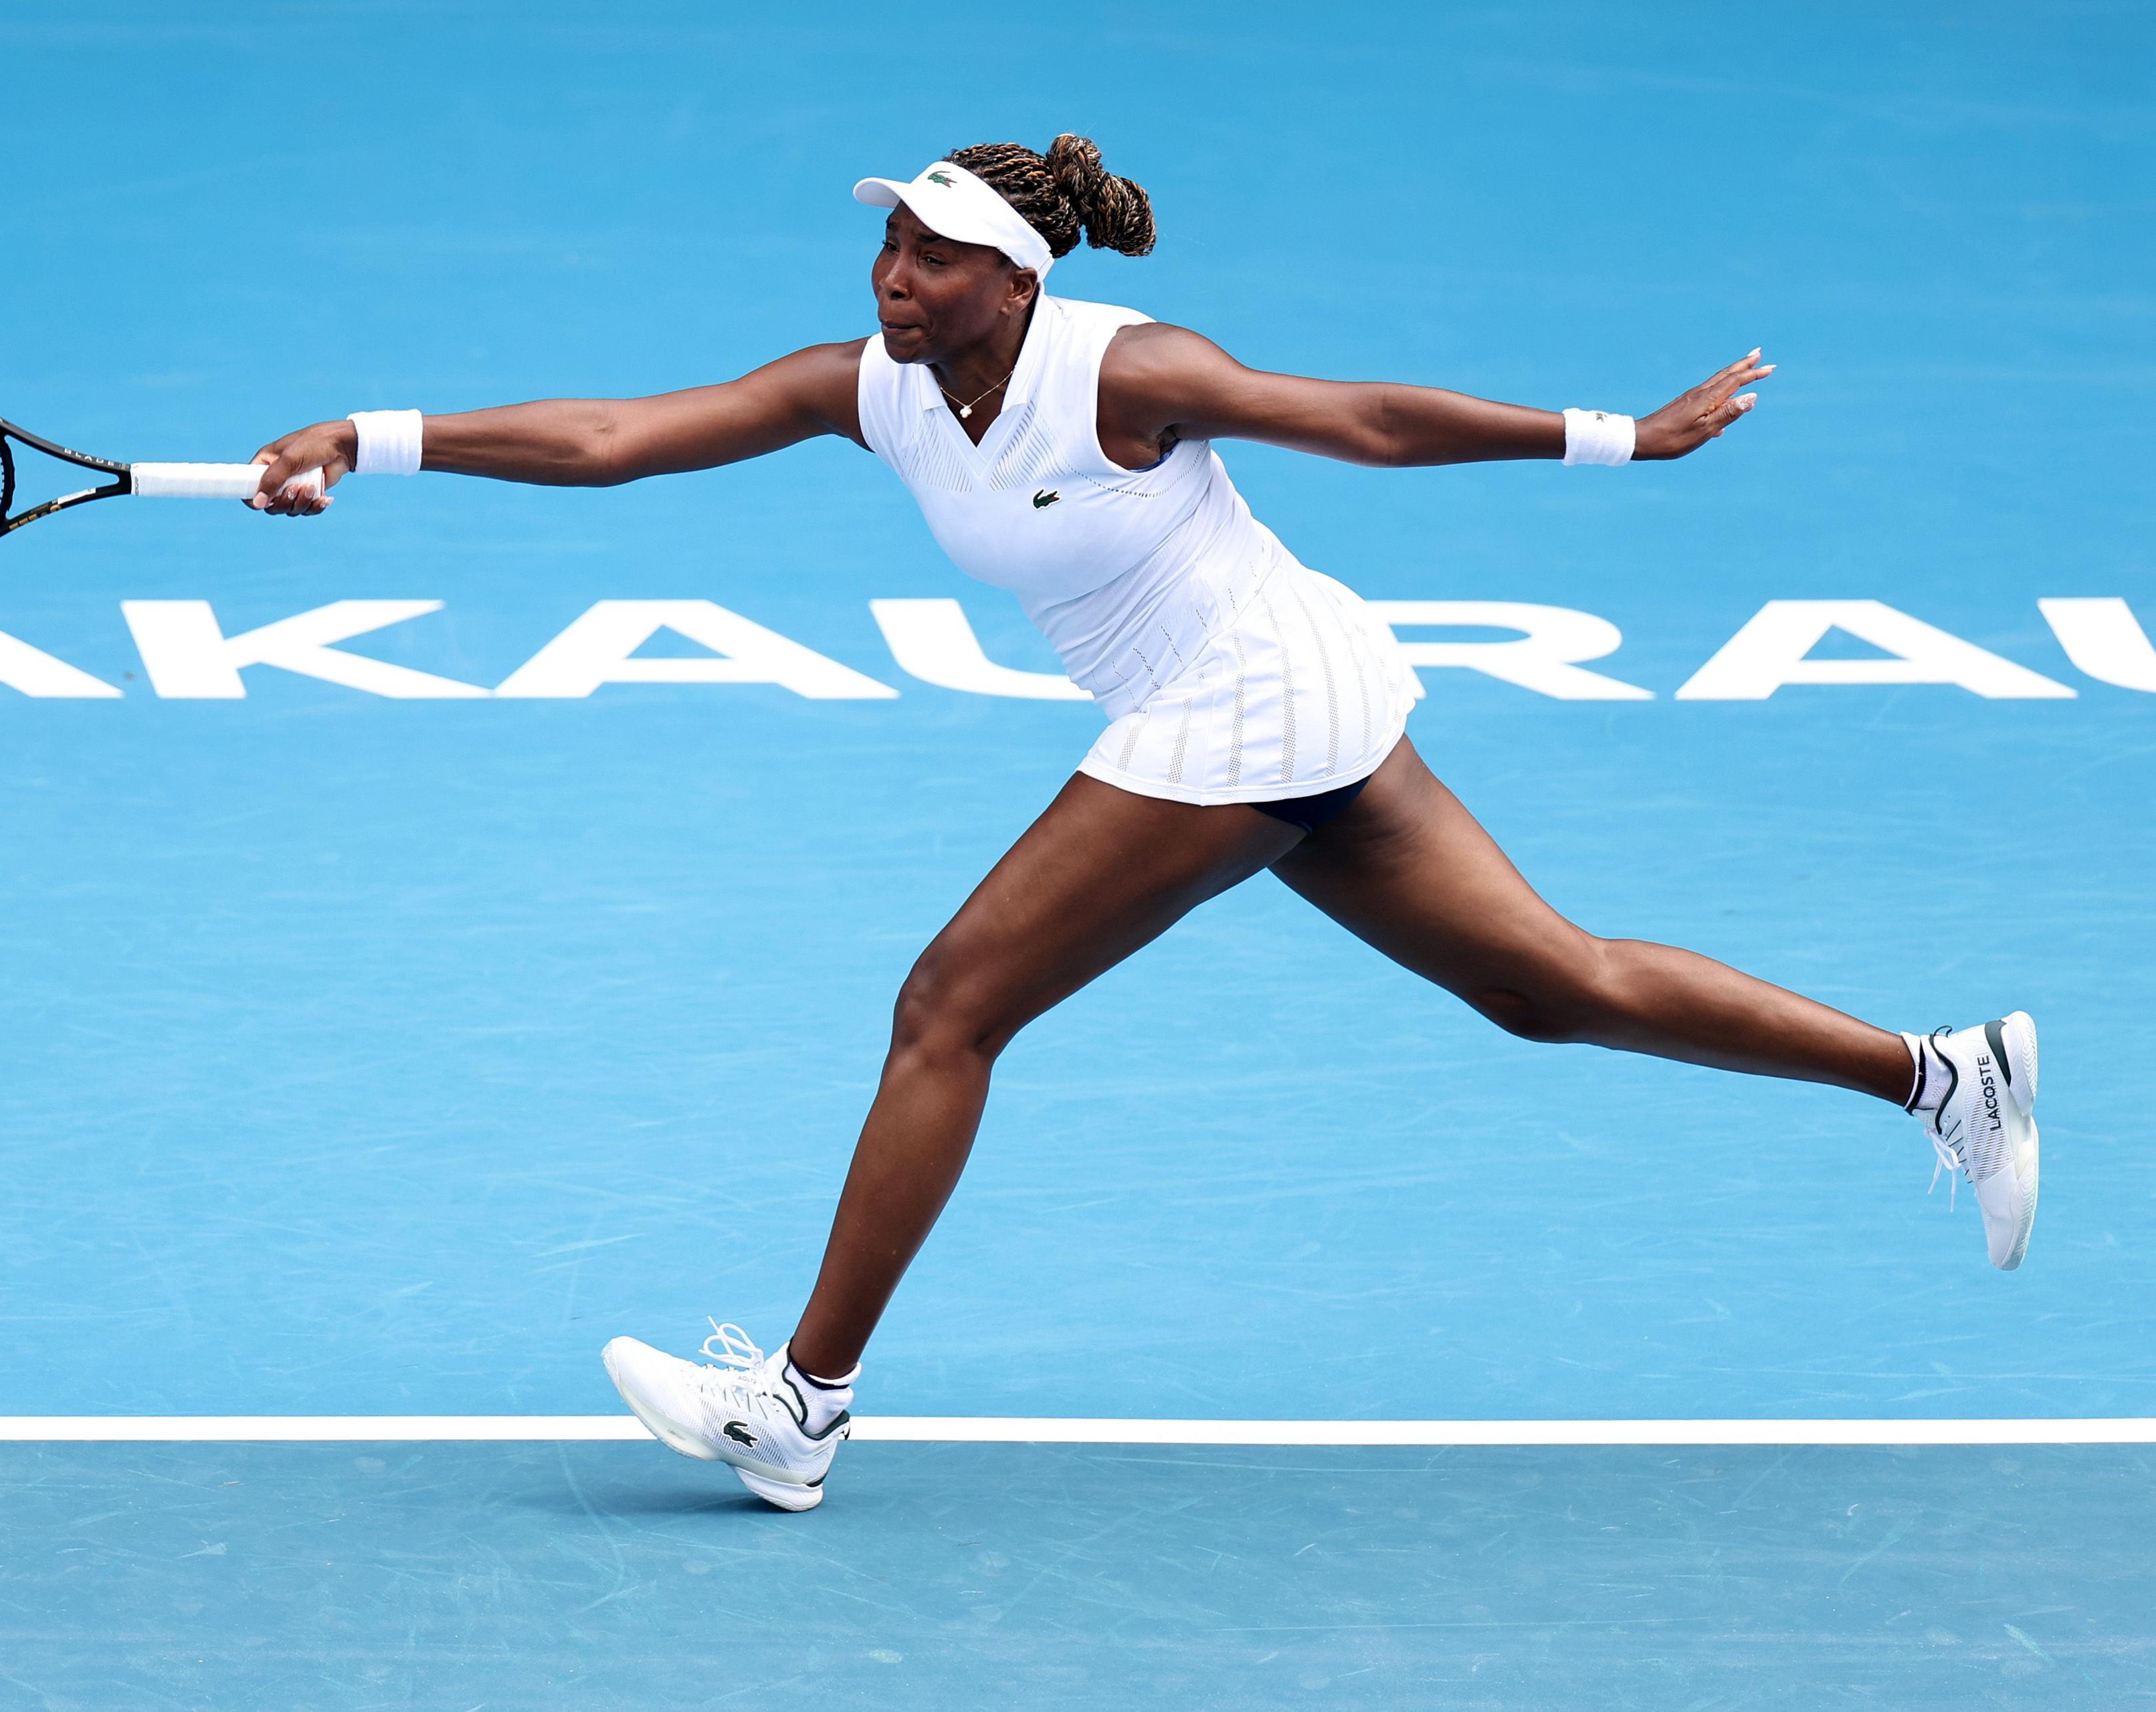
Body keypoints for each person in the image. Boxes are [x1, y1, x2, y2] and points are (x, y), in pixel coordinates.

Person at [248, 135, 2041, 1512]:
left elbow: (1354, 419)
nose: (896, 278)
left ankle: (798, 1409)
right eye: (889, 245)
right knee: (1549, 984)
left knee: (951, 1004)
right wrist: (376, 434)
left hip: (1250, 706)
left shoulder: (1122, 368)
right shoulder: (867, 388)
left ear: (1017, 283)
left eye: (937, 261)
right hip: (1288, 703)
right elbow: (620, 436)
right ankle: (1943, 1077)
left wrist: (1615, 442)